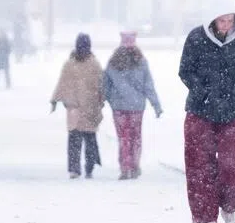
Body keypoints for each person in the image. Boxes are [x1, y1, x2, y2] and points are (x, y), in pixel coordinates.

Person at [178, 0, 235, 223]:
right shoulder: (196, 38)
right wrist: (204, 93)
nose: (226, 25)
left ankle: (229, 208)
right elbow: (185, 70)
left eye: (230, 20)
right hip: (201, 111)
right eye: (222, 20)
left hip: (231, 111)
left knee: (229, 163)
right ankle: (207, 217)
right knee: (200, 164)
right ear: (213, 20)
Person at [103, 30, 163, 180]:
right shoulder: (141, 62)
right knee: (136, 137)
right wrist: (156, 104)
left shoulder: (113, 62)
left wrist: (110, 100)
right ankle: (135, 166)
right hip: (137, 107)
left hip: (119, 108)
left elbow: (105, 86)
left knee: (123, 138)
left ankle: (125, 168)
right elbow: (148, 85)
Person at [50, 33, 105, 179]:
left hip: (81, 108)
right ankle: (87, 167)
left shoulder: (73, 64)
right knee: (87, 139)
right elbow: (101, 86)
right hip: (84, 107)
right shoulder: (93, 64)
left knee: (80, 139)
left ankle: (80, 168)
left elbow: (62, 83)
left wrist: (55, 99)